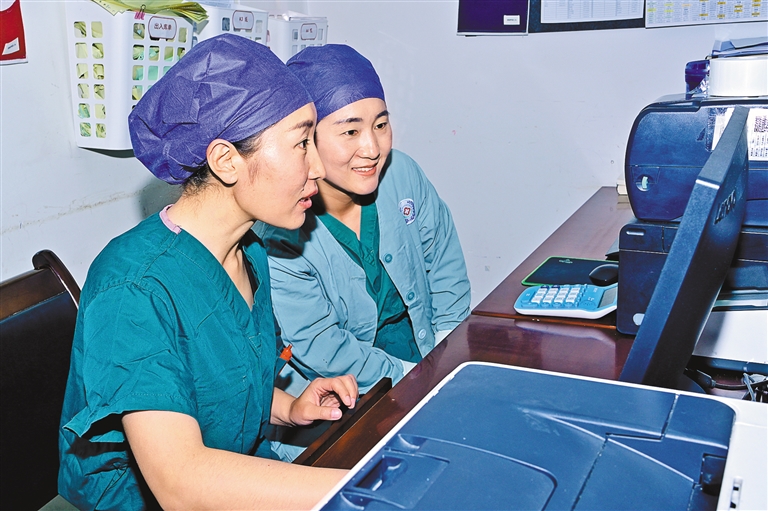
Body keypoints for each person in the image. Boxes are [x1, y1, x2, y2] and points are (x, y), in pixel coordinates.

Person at [57, 34, 358, 510]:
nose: (318, 167)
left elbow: (216, 385)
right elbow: (181, 484)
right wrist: (366, 483)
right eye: (302, 143)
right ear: (225, 160)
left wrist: (289, 407)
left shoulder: (249, 251)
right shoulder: (134, 289)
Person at [256, 45, 470, 441]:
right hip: (341, 407)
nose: (372, 148)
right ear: (306, 141)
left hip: (429, 362)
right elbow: (321, 346)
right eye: (350, 131)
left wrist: (448, 355)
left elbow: (445, 268)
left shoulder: (401, 175)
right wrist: (417, 380)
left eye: (381, 125)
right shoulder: (281, 232)